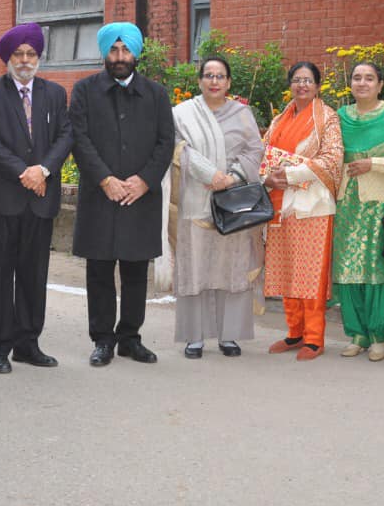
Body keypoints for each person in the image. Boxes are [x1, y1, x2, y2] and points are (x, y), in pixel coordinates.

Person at [70, 22, 175, 367]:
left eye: (125, 50)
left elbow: (165, 142)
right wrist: (105, 179)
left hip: (139, 197)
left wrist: (144, 181)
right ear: (105, 53)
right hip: (100, 195)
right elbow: (79, 139)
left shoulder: (156, 94)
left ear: (136, 53)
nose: (119, 57)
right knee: (99, 271)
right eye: (113, 50)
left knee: (135, 271)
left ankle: (130, 338)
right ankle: (103, 339)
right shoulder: (85, 91)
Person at [0, 23, 73, 373]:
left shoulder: (54, 93)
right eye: (18, 54)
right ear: (8, 58)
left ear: (39, 57)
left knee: (34, 275)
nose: (25, 60)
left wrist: (42, 170)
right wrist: (25, 173)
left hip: (39, 201)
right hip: (0, 201)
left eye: (31, 54)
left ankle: (28, 344)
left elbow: (65, 136)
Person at [169, 56, 264, 358]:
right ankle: (194, 337)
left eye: (220, 76)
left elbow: (255, 150)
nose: (214, 81)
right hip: (195, 197)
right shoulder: (182, 113)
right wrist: (210, 175)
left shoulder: (242, 114)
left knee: (232, 268)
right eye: (208, 75)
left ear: (229, 82)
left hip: (233, 202)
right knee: (194, 266)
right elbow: (178, 149)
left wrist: (231, 177)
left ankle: (229, 336)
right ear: (199, 81)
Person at [262, 62, 343, 361]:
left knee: (310, 274)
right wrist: (268, 177)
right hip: (279, 203)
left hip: (312, 206)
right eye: (297, 80)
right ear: (290, 85)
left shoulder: (327, 118)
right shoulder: (279, 119)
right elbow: (263, 154)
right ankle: (294, 331)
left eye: (308, 80)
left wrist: (291, 173)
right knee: (287, 270)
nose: (302, 85)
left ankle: (314, 338)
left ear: (318, 86)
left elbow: (332, 159)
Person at [331, 61, 384, 361]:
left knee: (376, 269)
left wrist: (372, 163)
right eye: (357, 78)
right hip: (346, 203)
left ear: (380, 84)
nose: (362, 83)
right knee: (347, 269)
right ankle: (357, 333)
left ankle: (378, 335)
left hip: (380, 203)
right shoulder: (340, 117)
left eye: (369, 78)